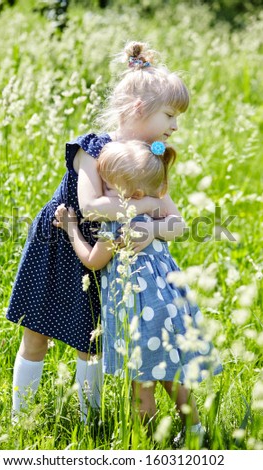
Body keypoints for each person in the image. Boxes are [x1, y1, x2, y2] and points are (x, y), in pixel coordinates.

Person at [6, 40, 190, 423]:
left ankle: (90, 420)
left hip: (105, 256)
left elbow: (177, 224)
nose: (174, 126)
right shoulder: (95, 149)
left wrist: (151, 232)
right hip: (59, 240)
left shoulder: (151, 161)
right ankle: (21, 419)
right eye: (170, 115)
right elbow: (90, 206)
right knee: (37, 333)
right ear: (140, 109)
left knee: (89, 340)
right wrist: (145, 207)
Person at [55, 139, 222, 444]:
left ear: (131, 195)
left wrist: (71, 229)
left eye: (107, 186)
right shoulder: (153, 217)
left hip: (140, 314)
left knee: (141, 384)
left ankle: (150, 443)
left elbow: (93, 262)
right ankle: (195, 429)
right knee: (172, 373)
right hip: (170, 304)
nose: (100, 191)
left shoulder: (117, 227)